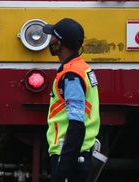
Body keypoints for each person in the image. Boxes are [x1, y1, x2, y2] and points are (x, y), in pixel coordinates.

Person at [43, 18, 100, 182]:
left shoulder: (72, 76)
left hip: (70, 156)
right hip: (78, 153)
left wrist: (63, 170)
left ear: (59, 43)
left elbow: (76, 125)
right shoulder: (81, 67)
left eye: (52, 36)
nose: (50, 41)